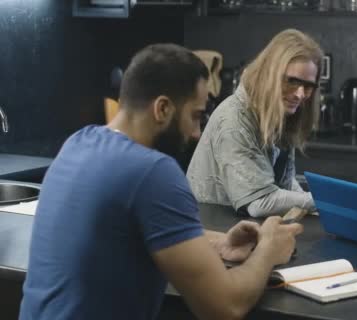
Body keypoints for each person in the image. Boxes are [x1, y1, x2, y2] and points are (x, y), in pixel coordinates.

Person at [19, 43, 302, 320]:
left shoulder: (79, 143)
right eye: (195, 116)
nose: (196, 132)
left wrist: (219, 243)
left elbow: (129, 229)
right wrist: (268, 251)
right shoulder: (153, 171)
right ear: (163, 109)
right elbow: (225, 306)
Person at [187, 29, 323, 217]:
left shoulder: (279, 112)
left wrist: (325, 210)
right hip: (213, 234)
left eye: (308, 86)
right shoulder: (234, 119)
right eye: (292, 81)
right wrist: (324, 203)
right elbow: (260, 202)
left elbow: (281, 183)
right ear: (269, 75)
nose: (300, 94)